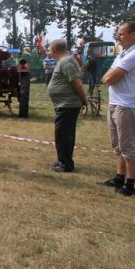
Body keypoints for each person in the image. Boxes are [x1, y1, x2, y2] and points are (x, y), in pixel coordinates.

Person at [100, 21, 135, 196]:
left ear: (133, 35)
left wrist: (110, 77)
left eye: (121, 34)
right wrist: (109, 77)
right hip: (115, 103)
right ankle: (119, 177)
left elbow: (109, 78)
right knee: (117, 145)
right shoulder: (123, 54)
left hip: (126, 105)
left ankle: (130, 184)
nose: (117, 37)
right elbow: (107, 75)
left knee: (128, 147)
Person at [46, 40, 88, 173]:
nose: (48, 51)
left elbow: (77, 83)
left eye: (49, 49)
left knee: (63, 135)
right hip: (64, 105)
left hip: (68, 105)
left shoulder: (66, 61)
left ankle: (65, 164)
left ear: (54, 50)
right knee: (63, 134)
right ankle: (63, 160)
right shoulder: (64, 61)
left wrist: (84, 100)